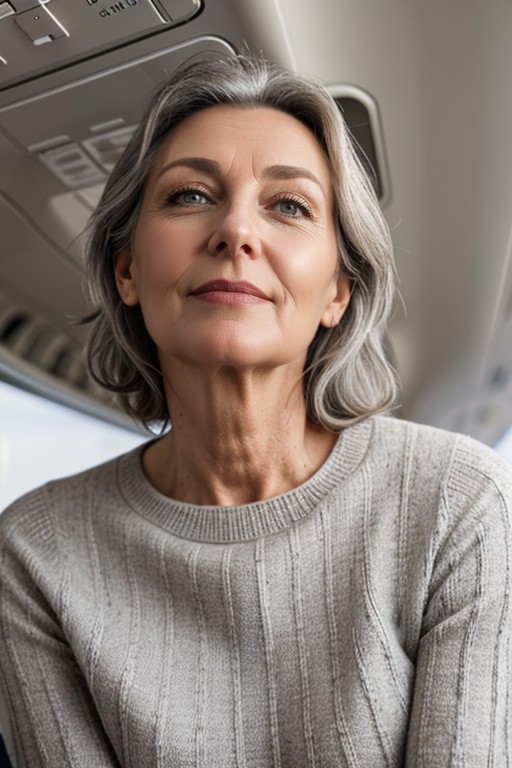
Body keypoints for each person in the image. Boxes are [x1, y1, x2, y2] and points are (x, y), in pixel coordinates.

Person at [0, 53, 510, 768]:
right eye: (189, 196)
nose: (236, 231)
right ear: (127, 271)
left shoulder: (457, 502)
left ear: (337, 289)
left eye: (289, 206)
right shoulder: (33, 554)